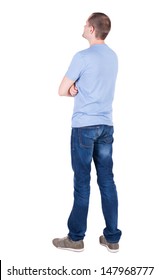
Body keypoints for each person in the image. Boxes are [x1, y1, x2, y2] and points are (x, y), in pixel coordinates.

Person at [52, 12, 122, 253]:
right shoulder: (113, 57)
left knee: (82, 183)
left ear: (92, 29)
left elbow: (61, 89)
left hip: (84, 127)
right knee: (107, 181)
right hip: (106, 126)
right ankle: (112, 238)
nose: (83, 27)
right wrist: (76, 88)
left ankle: (75, 238)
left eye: (85, 24)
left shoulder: (82, 56)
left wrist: (72, 88)